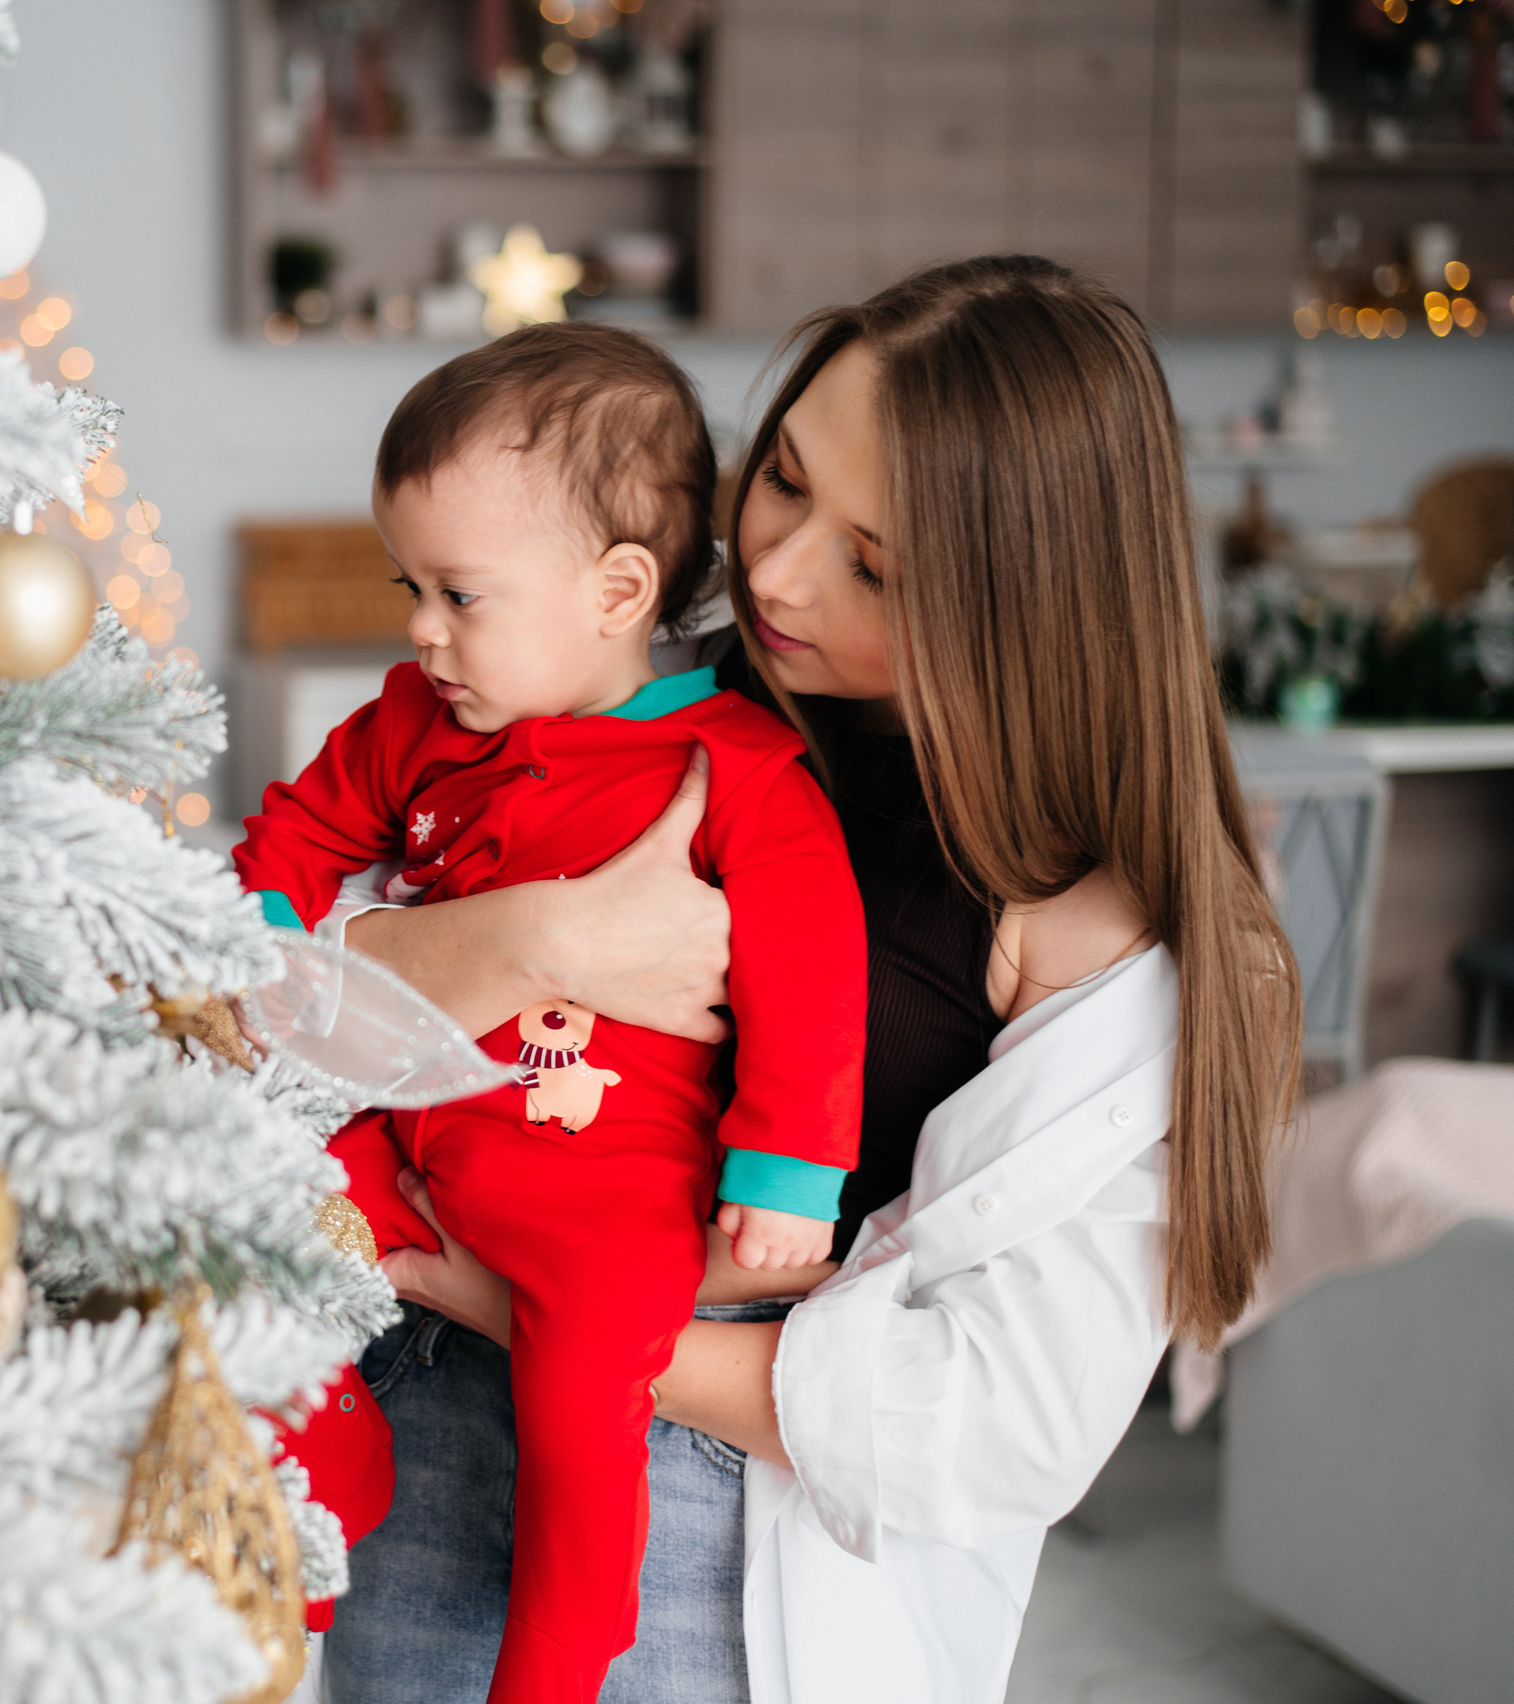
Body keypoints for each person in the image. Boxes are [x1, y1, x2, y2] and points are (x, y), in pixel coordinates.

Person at [317, 256, 1300, 1704]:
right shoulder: (614, 687)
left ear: (1024, 600)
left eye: (875, 566)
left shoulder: (1093, 918)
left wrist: (538, 1315)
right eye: (782, 479)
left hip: (711, 1529)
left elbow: (999, 1420)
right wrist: (545, 940)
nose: (773, 572)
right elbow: (277, 978)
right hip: (426, 1429)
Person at [234, 323, 865, 1704]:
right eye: (413, 586)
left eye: (460, 594)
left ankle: (562, 1651)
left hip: (610, 1189)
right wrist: (261, 944)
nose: (419, 627)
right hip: (410, 1135)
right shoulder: (412, 720)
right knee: (263, 1211)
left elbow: (812, 978)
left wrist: (785, 1174)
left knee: (591, 1391)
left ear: (616, 589)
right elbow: (286, 841)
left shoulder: (738, 769)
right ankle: (321, 1451)